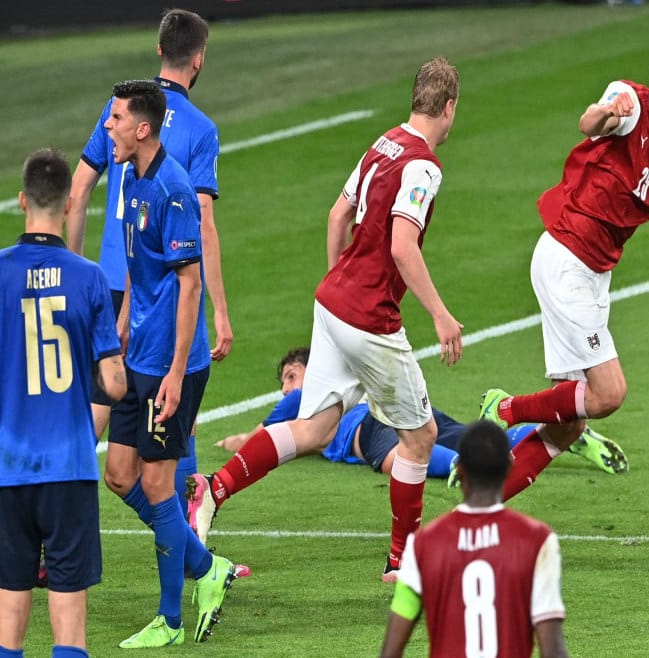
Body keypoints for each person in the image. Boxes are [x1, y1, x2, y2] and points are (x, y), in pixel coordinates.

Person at [188, 58, 464, 581]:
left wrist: (341, 280)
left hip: (333, 302)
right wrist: (441, 315)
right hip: (368, 318)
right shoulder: (424, 167)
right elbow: (403, 246)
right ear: (449, 108)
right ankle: (401, 560)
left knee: (315, 429)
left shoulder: (383, 143)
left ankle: (213, 489)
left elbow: (338, 215)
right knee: (421, 436)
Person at [478, 31, 649, 497]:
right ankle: (505, 408)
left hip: (596, 274)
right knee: (610, 392)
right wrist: (606, 112)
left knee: (567, 427)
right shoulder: (629, 104)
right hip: (565, 258)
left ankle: (477, 509)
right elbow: (588, 122)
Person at [0, 149, 125, 658]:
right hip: (70, 471)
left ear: (22, 200)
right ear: (70, 203)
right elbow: (114, 383)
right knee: (69, 622)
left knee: (8, 622)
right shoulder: (90, 278)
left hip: (9, 473)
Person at [68, 9, 233, 474]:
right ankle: (184, 510)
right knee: (175, 411)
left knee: (100, 403)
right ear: (198, 59)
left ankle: (60, 495)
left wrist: (75, 269)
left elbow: (78, 191)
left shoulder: (119, 110)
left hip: (109, 281)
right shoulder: (199, 129)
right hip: (160, 289)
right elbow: (203, 221)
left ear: (160, 48)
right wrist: (220, 308)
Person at [101, 80, 236, 648]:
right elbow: (140, 262)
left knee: (158, 484)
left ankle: (170, 620)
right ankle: (207, 565)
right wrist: (124, 316)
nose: (107, 127)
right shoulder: (130, 177)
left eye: (115, 119)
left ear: (143, 128)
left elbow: (190, 285)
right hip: (139, 354)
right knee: (119, 474)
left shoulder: (174, 190)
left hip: (169, 366)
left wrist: (177, 373)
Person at [376, 421, 581, 658]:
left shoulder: (423, 546)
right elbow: (552, 655)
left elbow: (390, 655)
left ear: (460, 472)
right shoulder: (536, 541)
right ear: (509, 468)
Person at [214, 347, 628, 489]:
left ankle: (461, 465)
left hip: (370, 428)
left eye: (291, 376)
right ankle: (558, 430)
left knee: (398, 460)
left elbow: (261, 436)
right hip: (411, 409)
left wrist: (229, 442)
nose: (287, 388)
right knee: (477, 437)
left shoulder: (305, 397)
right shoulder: (346, 380)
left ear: (311, 368)